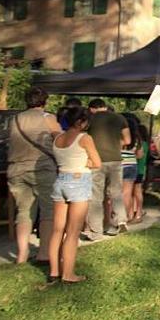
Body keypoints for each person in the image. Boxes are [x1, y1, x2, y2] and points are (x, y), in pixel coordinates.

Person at [48, 106, 102, 284]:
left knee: (57, 230)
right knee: (73, 232)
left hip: (60, 180)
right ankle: (68, 274)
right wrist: (87, 162)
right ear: (80, 122)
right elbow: (97, 163)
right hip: (78, 181)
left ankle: (54, 272)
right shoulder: (84, 138)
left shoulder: (58, 138)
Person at [7, 87, 60, 264]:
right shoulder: (48, 118)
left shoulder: (15, 119)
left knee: (23, 212)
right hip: (42, 168)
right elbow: (60, 140)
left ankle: (22, 254)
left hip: (16, 169)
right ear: (45, 101)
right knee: (48, 211)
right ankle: (44, 252)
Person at [85, 99, 131, 238]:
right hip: (116, 159)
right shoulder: (120, 118)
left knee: (96, 196)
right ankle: (121, 220)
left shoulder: (90, 119)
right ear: (105, 106)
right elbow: (127, 140)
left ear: (92, 108)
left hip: (96, 161)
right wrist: (115, 144)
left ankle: (96, 231)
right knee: (116, 193)